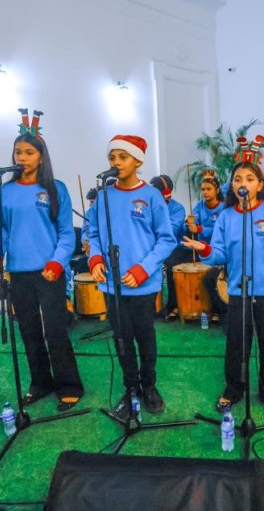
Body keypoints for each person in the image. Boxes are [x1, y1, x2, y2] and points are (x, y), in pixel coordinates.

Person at [182, 161, 264, 416]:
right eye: (237, 179)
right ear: (232, 186)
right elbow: (219, 254)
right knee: (236, 343)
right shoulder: (226, 217)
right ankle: (234, 390)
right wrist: (205, 249)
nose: (243, 183)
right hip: (239, 291)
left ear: (260, 185)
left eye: (249, 179)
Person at [0, 114, 83, 411]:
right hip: (18, 273)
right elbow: (1, 230)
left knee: (55, 330)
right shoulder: (5, 191)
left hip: (50, 272)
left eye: (29, 152)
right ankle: (40, 383)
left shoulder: (55, 189)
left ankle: (69, 385)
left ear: (41, 157)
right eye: (18, 152)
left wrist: (57, 262)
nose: (22, 158)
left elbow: (66, 233)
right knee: (28, 330)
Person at [86, 135, 176, 415]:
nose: (116, 162)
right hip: (112, 285)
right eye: (112, 157)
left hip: (142, 284)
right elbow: (93, 233)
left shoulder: (151, 196)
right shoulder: (103, 197)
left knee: (144, 336)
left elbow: (166, 240)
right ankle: (131, 388)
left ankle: (149, 386)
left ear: (138, 161)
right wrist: (95, 259)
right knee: (121, 337)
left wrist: (142, 269)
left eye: (122, 157)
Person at [150, 174, 191, 319]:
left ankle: (173, 305)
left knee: (170, 263)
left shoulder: (177, 209)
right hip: (155, 245)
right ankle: (148, 306)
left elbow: (171, 231)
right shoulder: (148, 207)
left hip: (177, 247)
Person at [187, 171, 227, 318]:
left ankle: (218, 311)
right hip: (203, 252)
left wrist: (200, 229)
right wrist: (190, 224)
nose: (205, 192)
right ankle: (198, 308)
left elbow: (219, 230)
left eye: (208, 189)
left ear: (217, 190)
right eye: (203, 189)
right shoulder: (199, 206)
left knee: (214, 279)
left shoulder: (224, 208)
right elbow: (193, 222)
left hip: (219, 252)